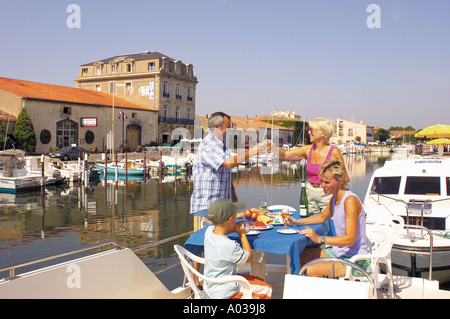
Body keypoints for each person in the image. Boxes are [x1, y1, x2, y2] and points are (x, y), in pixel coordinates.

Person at [284, 158, 368, 278]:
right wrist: (296, 222)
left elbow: (349, 239)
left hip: (354, 261)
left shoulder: (350, 201)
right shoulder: (335, 198)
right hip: (337, 253)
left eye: (327, 182)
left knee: (307, 270)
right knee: (297, 256)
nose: (322, 185)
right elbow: (323, 216)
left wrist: (320, 239)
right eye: (322, 181)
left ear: (340, 181)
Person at [190, 111, 264, 229]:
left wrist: (232, 191)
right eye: (228, 127)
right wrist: (252, 152)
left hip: (222, 209)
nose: (231, 130)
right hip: (207, 209)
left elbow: (223, 170)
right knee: (203, 245)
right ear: (217, 127)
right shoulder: (208, 144)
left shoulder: (222, 144)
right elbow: (228, 163)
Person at [271, 117, 347, 213]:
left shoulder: (334, 152)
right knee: (310, 222)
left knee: (329, 223)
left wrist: (338, 197)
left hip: (327, 194)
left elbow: (344, 178)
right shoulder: (307, 150)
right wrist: (271, 146)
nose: (309, 132)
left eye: (312, 130)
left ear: (323, 133)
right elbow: (284, 155)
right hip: (310, 192)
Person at [204, 198, 272, 299]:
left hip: (211, 284)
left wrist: (231, 229)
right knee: (267, 289)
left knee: (258, 279)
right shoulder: (229, 245)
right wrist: (242, 235)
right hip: (226, 291)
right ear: (230, 220)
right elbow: (249, 258)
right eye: (235, 217)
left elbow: (221, 231)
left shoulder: (209, 232)